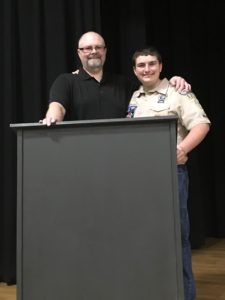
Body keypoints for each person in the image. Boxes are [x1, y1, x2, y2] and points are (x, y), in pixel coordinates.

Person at [127, 47, 211, 300]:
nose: (147, 69)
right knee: (148, 238)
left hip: (171, 176)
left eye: (152, 63)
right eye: (141, 65)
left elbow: (202, 124)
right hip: (141, 179)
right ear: (135, 70)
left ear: (161, 66)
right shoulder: (135, 97)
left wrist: (182, 148)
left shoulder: (178, 91)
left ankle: (185, 295)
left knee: (177, 239)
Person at [41, 31, 191, 125]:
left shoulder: (123, 83)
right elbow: (57, 106)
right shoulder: (66, 81)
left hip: (119, 157)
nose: (94, 51)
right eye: (88, 48)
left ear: (105, 51)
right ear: (79, 53)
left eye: (98, 47)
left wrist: (174, 80)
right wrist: (52, 119)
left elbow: (150, 89)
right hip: (80, 154)